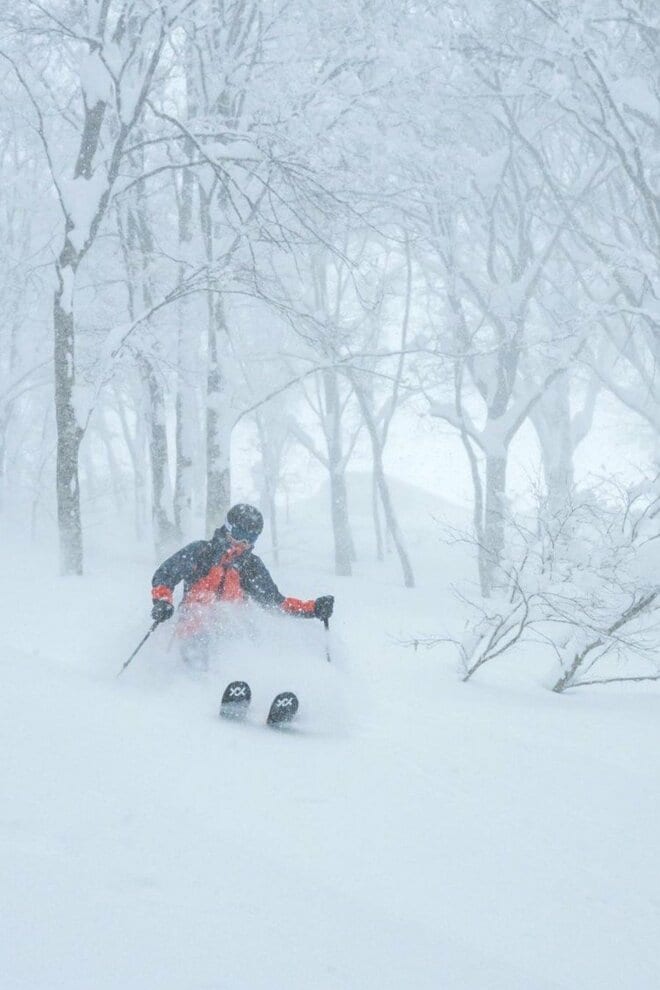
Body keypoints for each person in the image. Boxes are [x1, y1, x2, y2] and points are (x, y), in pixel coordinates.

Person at [150, 503, 334, 665]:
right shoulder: (201, 552)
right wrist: (163, 602)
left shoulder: (250, 566)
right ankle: (199, 687)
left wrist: (313, 608)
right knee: (201, 637)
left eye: (251, 539)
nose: (244, 543)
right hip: (193, 627)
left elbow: (276, 603)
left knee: (251, 643)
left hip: (232, 630)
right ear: (228, 529)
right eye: (239, 535)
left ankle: (252, 688)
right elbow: (165, 575)